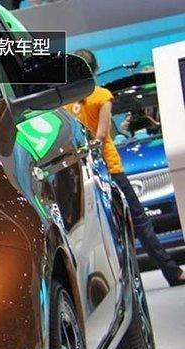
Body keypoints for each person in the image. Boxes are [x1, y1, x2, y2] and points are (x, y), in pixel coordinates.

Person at [67, 49, 185, 286]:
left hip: (85, 173)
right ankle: (172, 273)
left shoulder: (67, 105)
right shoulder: (102, 96)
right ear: (96, 69)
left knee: (106, 230)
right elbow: (102, 135)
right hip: (110, 168)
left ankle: (121, 283)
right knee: (140, 222)